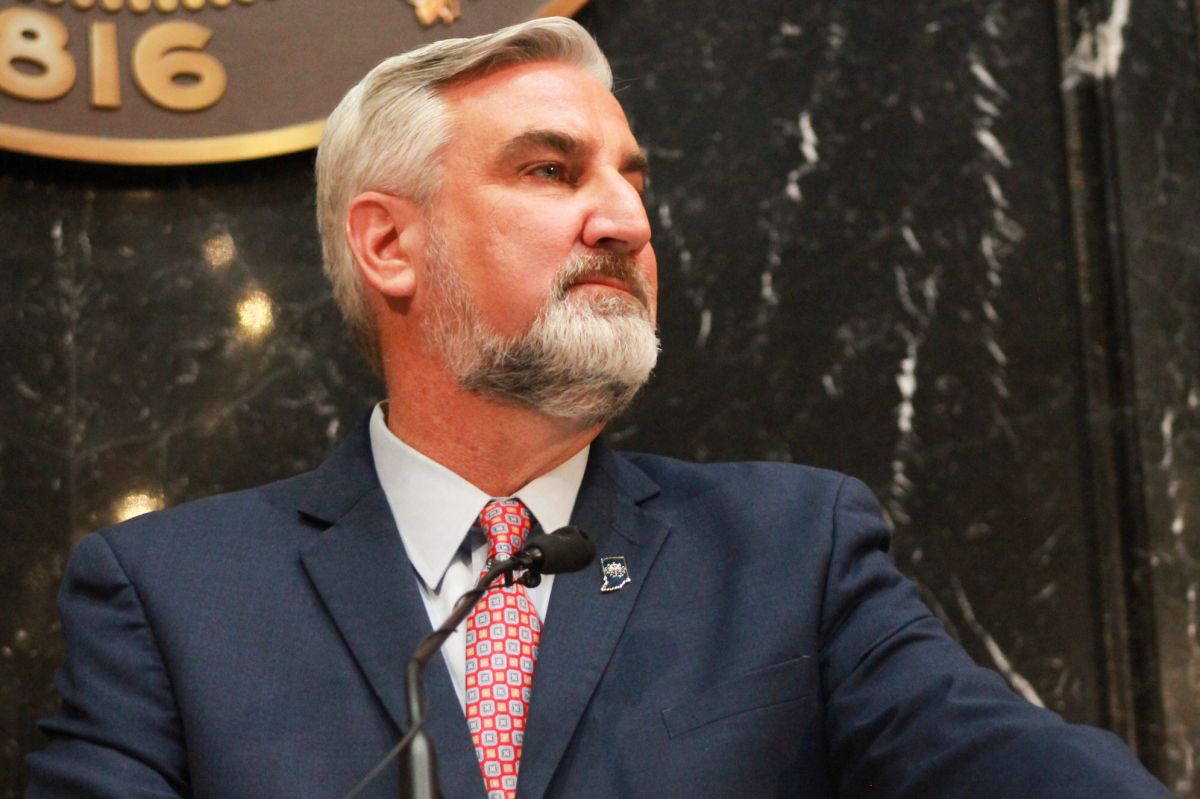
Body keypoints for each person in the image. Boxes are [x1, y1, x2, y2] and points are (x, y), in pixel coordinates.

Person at [26, 17, 1173, 799]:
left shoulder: (790, 556)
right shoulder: (170, 598)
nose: (625, 218)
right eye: (550, 170)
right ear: (389, 243)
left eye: (635, 176)